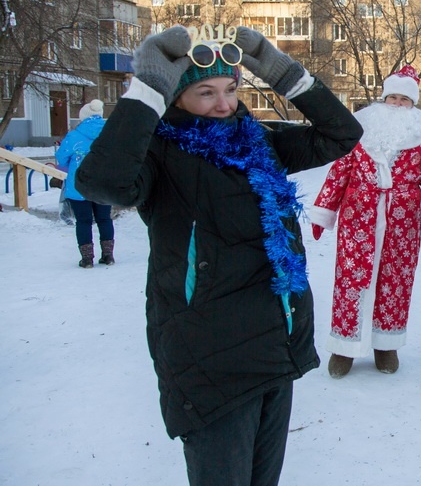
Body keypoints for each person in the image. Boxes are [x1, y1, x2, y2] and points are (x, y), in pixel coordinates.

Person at [75, 25, 362, 485]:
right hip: (210, 360)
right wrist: (146, 91)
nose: (224, 104)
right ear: (175, 97)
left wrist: (279, 70)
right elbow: (102, 183)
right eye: (205, 92)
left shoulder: (257, 143)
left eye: (230, 89)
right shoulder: (159, 153)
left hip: (275, 345)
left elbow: (341, 134)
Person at [310, 65, 421, 379]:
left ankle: (385, 344)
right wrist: (324, 211)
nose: (397, 104)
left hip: (402, 221)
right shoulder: (359, 128)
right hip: (358, 217)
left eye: (405, 99)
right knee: (352, 279)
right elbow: (340, 172)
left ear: (413, 104)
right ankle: (344, 347)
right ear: (383, 97)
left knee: (395, 281)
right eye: (392, 97)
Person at [55, 99, 114, 267]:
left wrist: (72, 167)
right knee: (104, 219)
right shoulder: (110, 133)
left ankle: (87, 259)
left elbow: (61, 159)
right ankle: (108, 256)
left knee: (83, 221)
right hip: (104, 184)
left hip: (79, 185)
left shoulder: (74, 136)